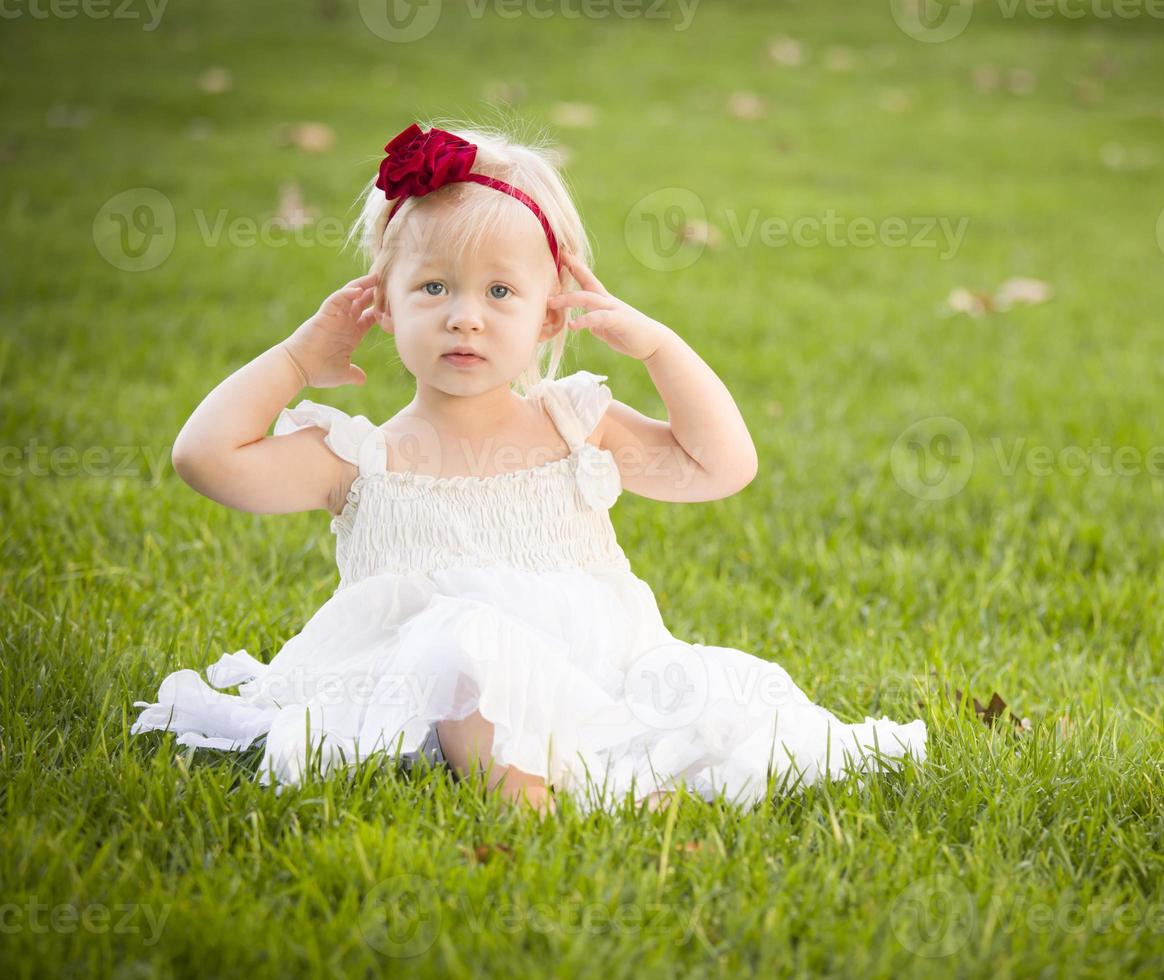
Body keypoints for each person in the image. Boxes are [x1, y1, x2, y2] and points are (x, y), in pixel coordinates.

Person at [130, 120, 927, 816]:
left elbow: (721, 466)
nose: (464, 314)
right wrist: (302, 356)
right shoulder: (362, 459)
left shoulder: (571, 425)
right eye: (433, 286)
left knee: (702, 711)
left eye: (500, 290)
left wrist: (659, 347)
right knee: (469, 646)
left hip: (594, 675)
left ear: (551, 312)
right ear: (383, 304)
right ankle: (540, 803)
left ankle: (599, 775)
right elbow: (205, 459)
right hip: (435, 701)